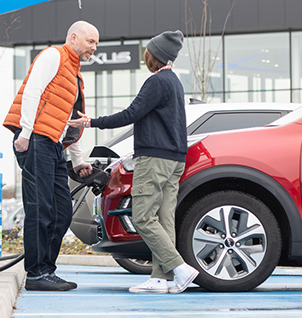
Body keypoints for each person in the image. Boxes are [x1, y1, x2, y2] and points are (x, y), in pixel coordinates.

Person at [68, 30, 199, 294]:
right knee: (163, 221)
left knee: (141, 217)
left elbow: (131, 113)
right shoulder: (175, 82)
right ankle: (160, 279)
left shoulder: (157, 81)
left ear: (155, 55)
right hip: (175, 160)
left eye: (148, 52)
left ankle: (180, 268)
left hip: (154, 160)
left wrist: (91, 122)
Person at [2, 20, 97, 292]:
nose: (94, 47)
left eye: (96, 43)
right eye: (91, 41)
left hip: (54, 145)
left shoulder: (75, 75)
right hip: (35, 139)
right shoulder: (53, 55)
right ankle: (36, 272)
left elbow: (71, 120)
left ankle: (47, 270)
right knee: (40, 207)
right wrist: (25, 132)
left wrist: (78, 160)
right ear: (74, 37)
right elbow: (32, 91)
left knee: (61, 211)